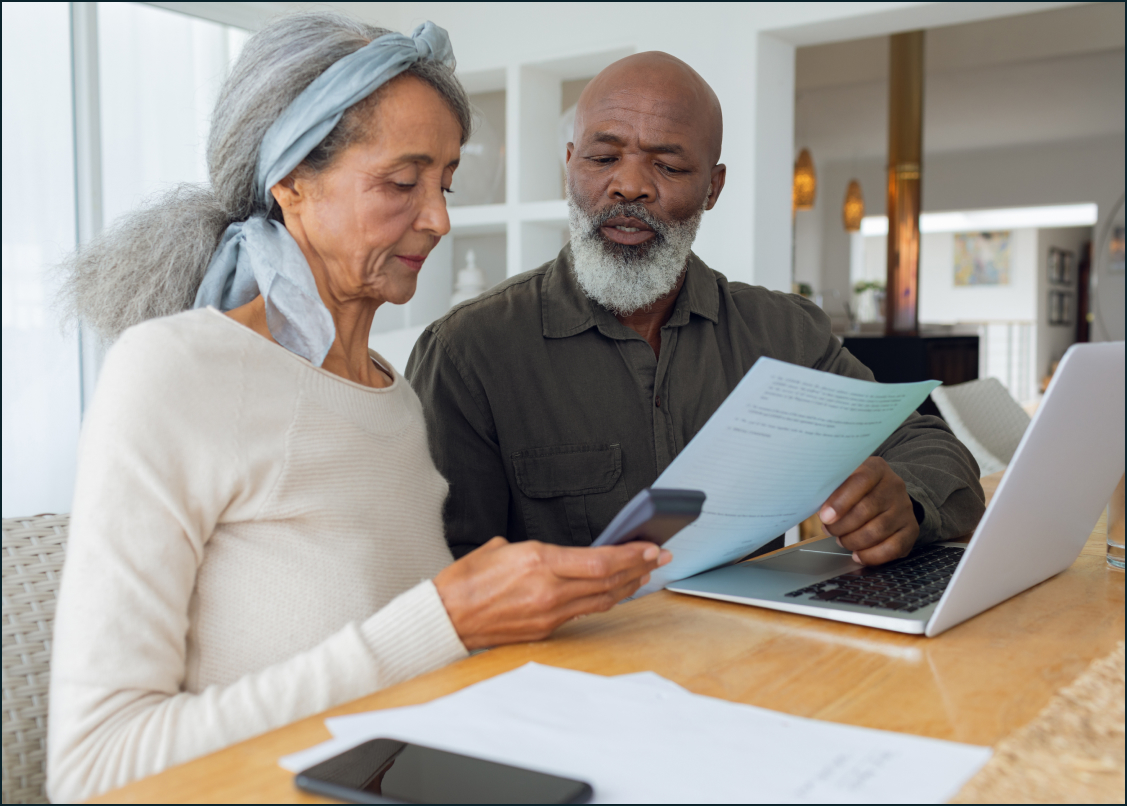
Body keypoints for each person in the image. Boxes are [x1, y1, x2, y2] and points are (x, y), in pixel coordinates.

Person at [47, 14, 667, 802]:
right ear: (290, 181)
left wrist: (523, 611)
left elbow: (412, 672)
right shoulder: (173, 373)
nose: (439, 219)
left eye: (444, 183)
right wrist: (446, 619)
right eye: (402, 183)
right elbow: (94, 767)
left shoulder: (392, 394)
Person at [407, 52, 985, 565]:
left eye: (670, 166)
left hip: (758, 658)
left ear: (713, 186)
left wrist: (901, 498)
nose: (628, 185)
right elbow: (439, 576)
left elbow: (936, 452)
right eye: (603, 157)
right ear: (570, 164)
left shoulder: (783, 333)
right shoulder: (469, 352)